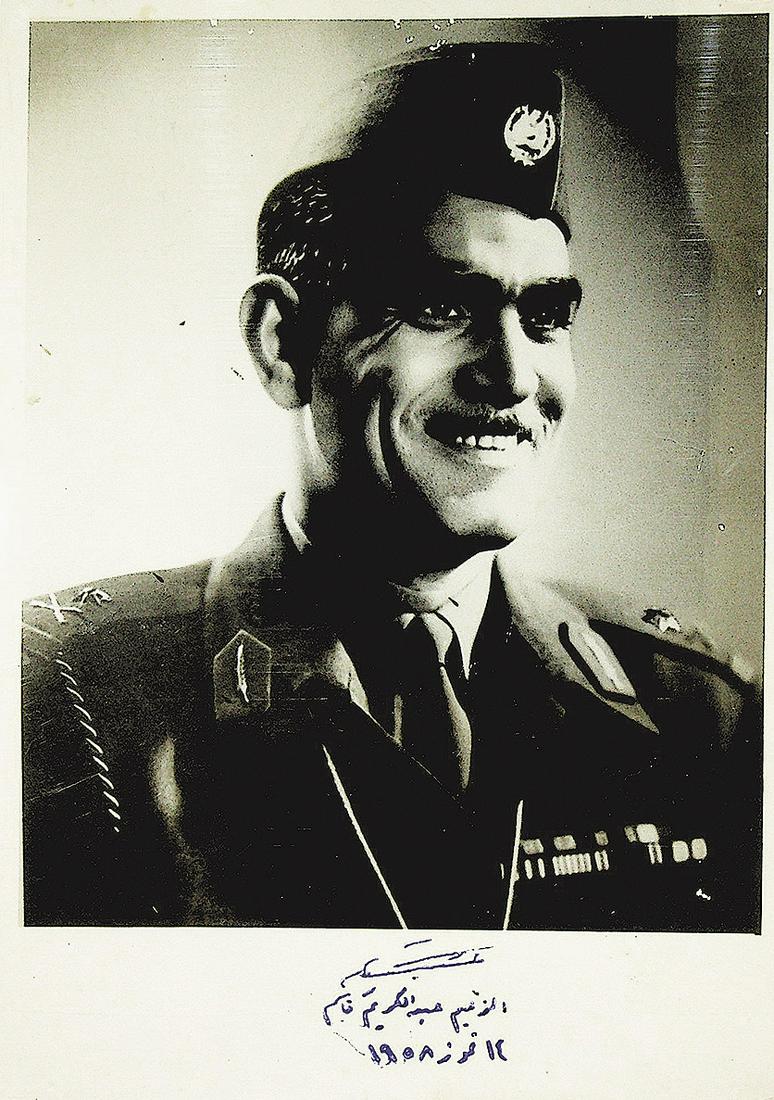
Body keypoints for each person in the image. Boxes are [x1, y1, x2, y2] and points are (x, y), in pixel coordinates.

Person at [22, 42, 761, 931]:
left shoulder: (696, 712)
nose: (512, 376)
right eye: (440, 307)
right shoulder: (65, 701)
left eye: (544, 317)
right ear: (281, 344)